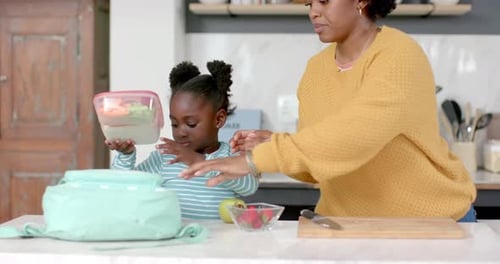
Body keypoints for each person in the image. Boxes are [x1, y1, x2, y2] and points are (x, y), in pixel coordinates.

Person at [180, 0, 477, 222]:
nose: (313, 12)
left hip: (429, 223)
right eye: (310, 3)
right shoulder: (316, 70)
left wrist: (259, 159)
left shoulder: (398, 54)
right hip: (346, 225)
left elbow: (357, 133)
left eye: (324, 1)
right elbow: (323, 165)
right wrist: (276, 143)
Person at [106, 60, 259, 219]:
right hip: (176, 239)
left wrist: (198, 161)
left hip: (220, 242)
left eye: (191, 124)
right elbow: (123, 185)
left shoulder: (232, 155)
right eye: (174, 124)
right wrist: (126, 155)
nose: (180, 132)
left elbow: (249, 187)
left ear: (219, 119)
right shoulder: (165, 156)